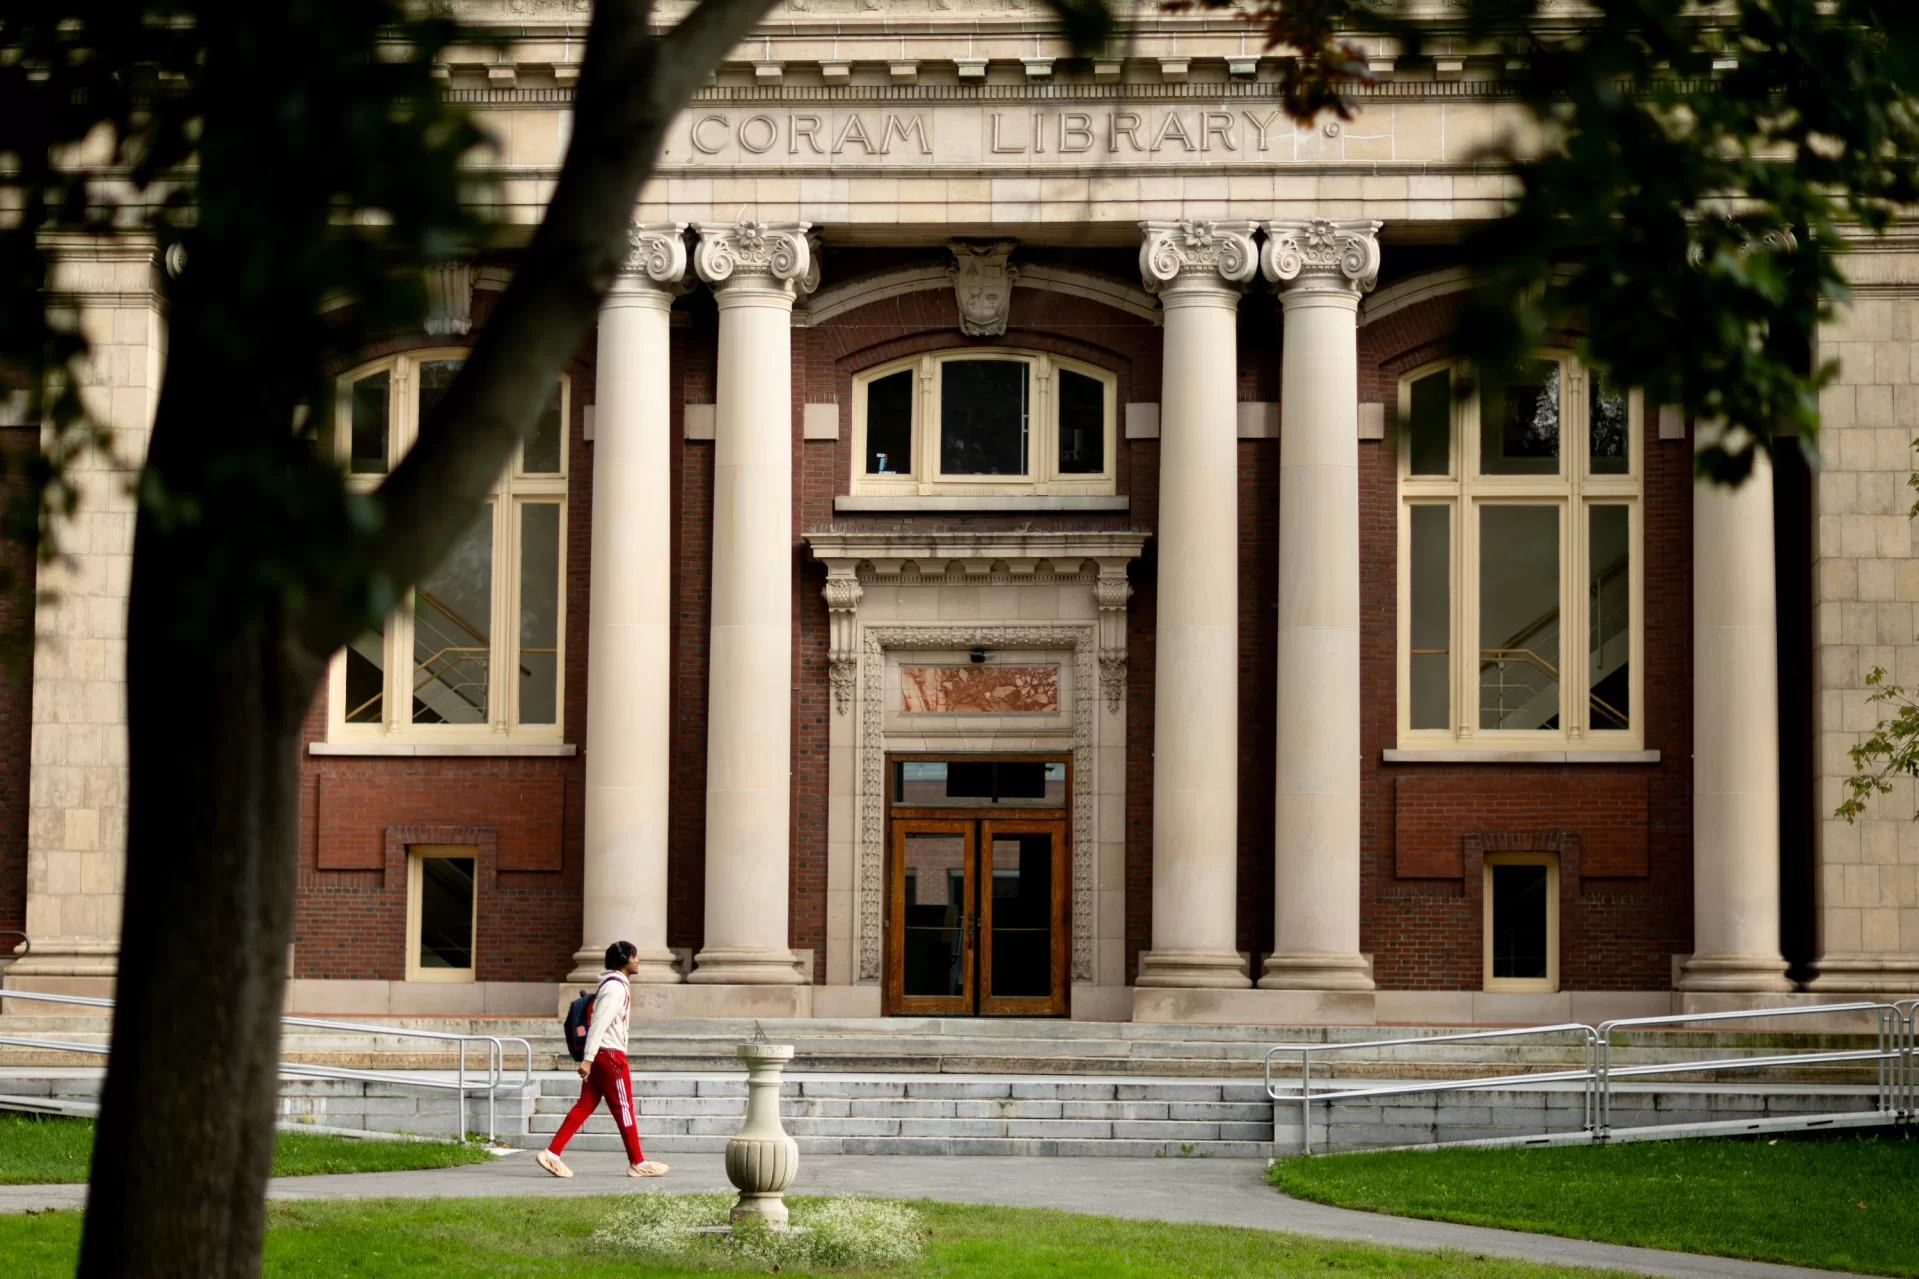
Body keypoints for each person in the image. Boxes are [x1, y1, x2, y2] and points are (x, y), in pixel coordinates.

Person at [536, 940, 668, 1178]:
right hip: (609, 1056)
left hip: (601, 1054)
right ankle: (638, 1162)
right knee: (624, 1108)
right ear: (623, 960)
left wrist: (590, 1058)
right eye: (634, 956)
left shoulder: (613, 985)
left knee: (585, 1104)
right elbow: (598, 1025)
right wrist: (588, 1059)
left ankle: (552, 1153)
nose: (638, 960)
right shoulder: (616, 988)